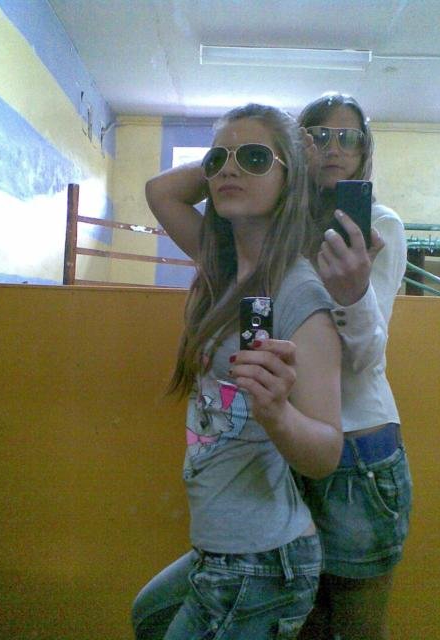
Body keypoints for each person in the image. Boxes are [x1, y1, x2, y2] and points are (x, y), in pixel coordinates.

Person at [131, 103, 343, 639]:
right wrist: (236, 158)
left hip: (262, 559)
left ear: (288, 178)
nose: (228, 169)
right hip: (224, 547)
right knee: (147, 617)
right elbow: (161, 190)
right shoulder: (223, 265)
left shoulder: (299, 293)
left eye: (253, 158)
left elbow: (326, 453)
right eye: (217, 159)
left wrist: (276, 413)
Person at [296, 93, 412, 640]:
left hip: (359, 455)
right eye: (318, 136)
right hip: (292, 445)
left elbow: (366, 357)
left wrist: (353, 292)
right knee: (305, 624)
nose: (333, 148)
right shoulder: (286, 226)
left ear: (365, 150)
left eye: (348, 137)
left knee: (356, 629)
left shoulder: (380, 224)